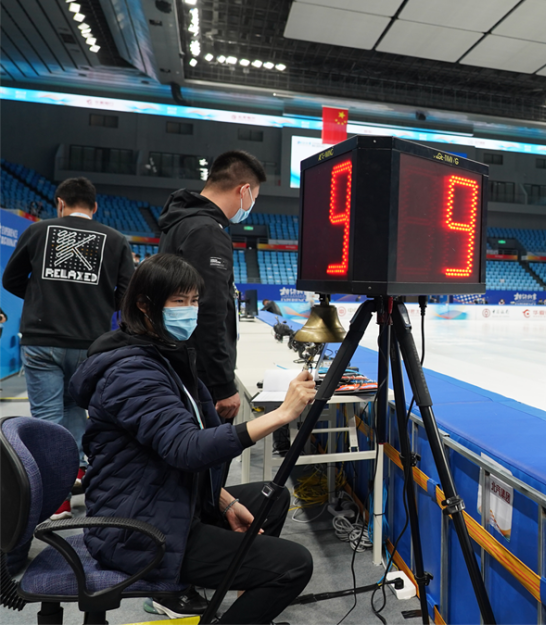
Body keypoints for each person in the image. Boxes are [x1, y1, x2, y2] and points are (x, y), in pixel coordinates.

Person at [69, 254, 315, 624]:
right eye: (178, 301)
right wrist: (281, 415)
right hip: (137, 529)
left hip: (165, 497)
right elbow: (186, 449)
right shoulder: (131, 371)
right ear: (145, 305)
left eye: (194, 301)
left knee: (272, 498)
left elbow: (163, 451)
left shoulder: (163, 356)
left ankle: (245, 595)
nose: (189, 310)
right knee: (294, 565)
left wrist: (227, 501)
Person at [2, 177, 134, 520]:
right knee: (77, 410)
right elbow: (128, 292)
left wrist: (39, 297)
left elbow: (10, 279)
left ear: (60, 202)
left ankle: (55, 501)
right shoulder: (116, 240)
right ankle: (74, 477)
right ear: (95, 207)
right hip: (90, 343)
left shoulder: (39, 231)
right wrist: (102, 306)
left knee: (47, 419)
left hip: (41, 339)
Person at [158, 151, 266, 421]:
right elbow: (209, 310)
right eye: (254, 196)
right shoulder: (207, 233)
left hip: (178, 361)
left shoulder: (179, 224)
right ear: (243, 191)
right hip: (201, 374)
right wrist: (223, 385)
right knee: (208, 454)